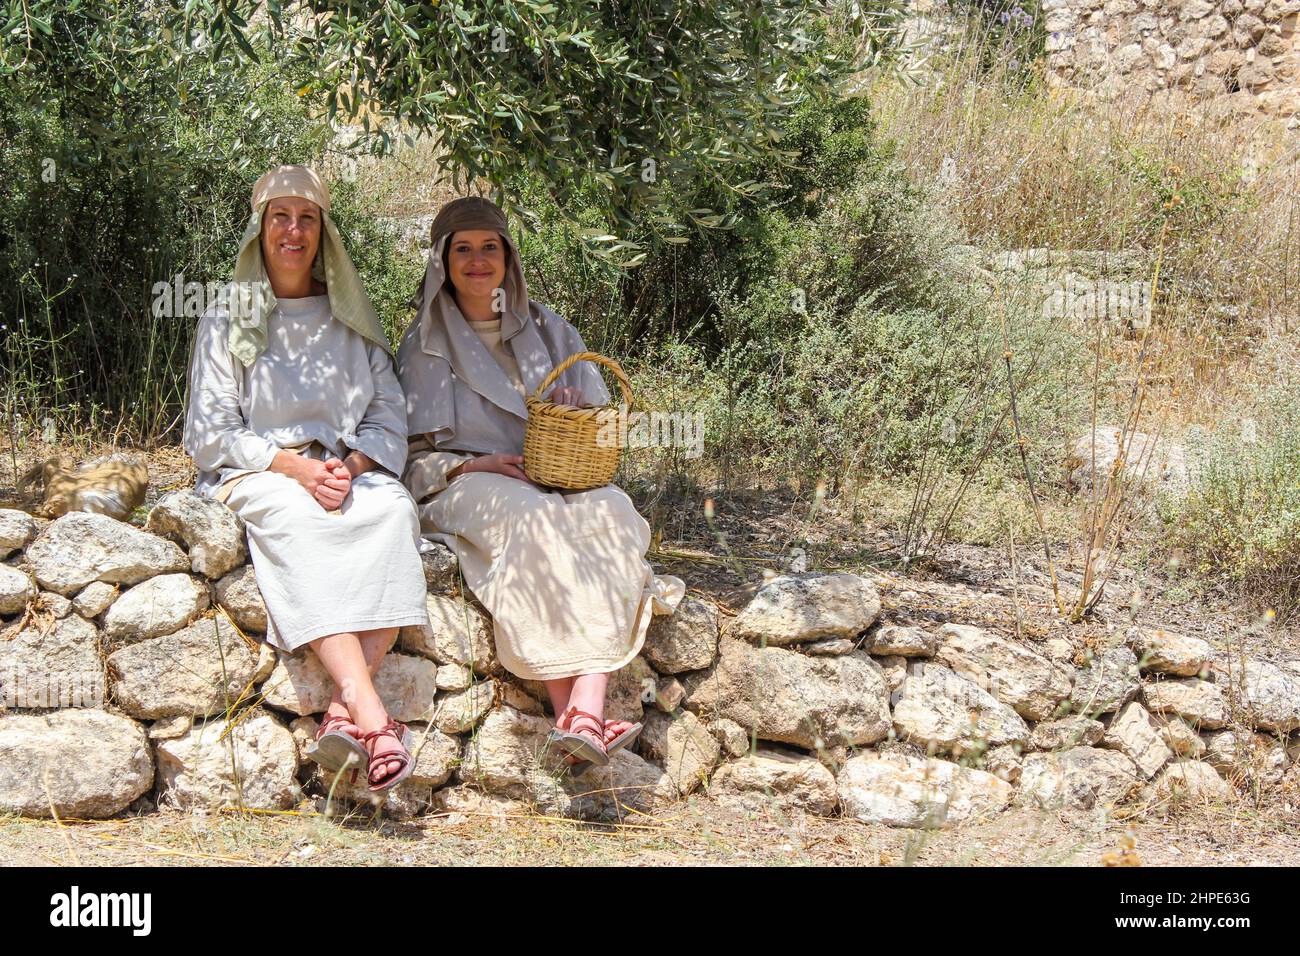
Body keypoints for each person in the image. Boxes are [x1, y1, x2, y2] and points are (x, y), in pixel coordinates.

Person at [397, 196, 683, 773]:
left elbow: (604, 436)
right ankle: (577, 714)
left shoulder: (554, 333)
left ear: (509, 258)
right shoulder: (420, 345)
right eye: (463, 249)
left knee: (612, 513)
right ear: (442, 262)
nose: (478, 261)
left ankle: (583, 710)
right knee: (533, 520)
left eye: (490, 248)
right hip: (465, 483)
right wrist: (469, 466)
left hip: (559, 476)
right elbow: (403, 459)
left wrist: (573, 409)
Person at [184, 165, 428, 792]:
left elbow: (386, 412)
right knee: (297, 518)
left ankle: (344, 715)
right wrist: (294, 469)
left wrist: (346, 470)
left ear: (323, 232)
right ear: (259, 228)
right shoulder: (227, 316)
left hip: (340, 469)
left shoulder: (347, 314)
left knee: (393, 512)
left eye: (307, 218)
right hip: (259, 471)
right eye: (280, 217)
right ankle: (374, 718)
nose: (293, 231)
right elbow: (211, 430)